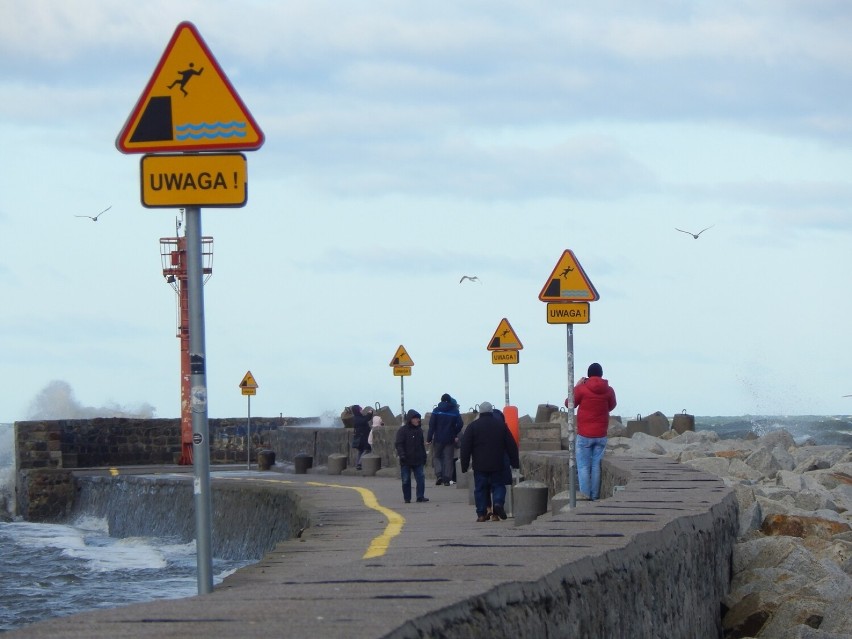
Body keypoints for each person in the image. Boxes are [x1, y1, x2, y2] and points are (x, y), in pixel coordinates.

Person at [460, 401, 519, 522]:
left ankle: (481, 514)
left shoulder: (472, 426)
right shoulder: (501, 425)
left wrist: (464, 465)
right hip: (498, 463)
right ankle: (497, 503)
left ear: (480, 412)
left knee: (480, 489)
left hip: (480, 465)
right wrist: (515, 462)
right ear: (491, 411)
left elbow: (465, 447)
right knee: (498, 486)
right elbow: (511, 445)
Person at [568, 362, 617, 501]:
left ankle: (585, 497)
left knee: (583, 467)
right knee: (596, 466)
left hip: (584, 435)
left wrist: (577, 386)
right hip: (601, 434)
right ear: (601, 374)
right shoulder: (609, 390)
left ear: (588, 375)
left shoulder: (582, 389)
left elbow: (568, 403)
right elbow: (612, 405)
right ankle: (595, 497)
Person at [426, 393, 464, 486]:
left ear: (441, 400)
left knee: (437, 457)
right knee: (448, 458)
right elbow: (460, 424)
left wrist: (429, 438)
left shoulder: (436, 410)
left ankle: (439, 475)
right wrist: (454, 432)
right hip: (449, 438)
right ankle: (447, 479)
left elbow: (432, 425)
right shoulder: (454, 411)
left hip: (438, 438)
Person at [394, 409, 429, 503]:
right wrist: (402, 455)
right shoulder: (402, 430)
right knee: (406, 480)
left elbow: (421, 445)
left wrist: (424, 456)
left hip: (418, 459)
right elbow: (399, 444)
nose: (418, 420)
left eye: (418, 418)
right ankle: (407, 498)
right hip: (406, 459)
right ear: (410, 419)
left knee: (420, 478)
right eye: (415, 419)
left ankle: (420, 496)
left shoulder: (419, 430)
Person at [351, 405, 371, 470]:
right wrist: (369, 414)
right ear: (357, 410)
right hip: (362, 438)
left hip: (361, 437)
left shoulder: (357, 417)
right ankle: (359, 464)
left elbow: (365, 418)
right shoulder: (357, 418)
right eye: (360, 409)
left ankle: (358, 464)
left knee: (361, 451)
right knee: (366, 450)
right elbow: (365, 419)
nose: (362, 410)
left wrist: (369, 414)